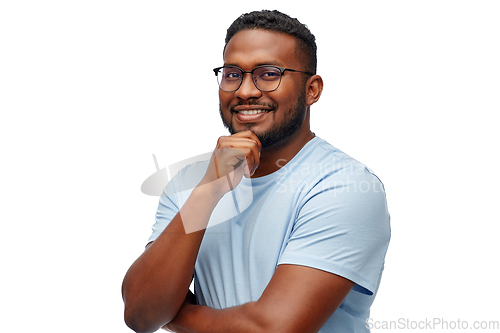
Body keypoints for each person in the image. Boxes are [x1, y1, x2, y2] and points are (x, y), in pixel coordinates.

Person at [122, 9, 390, 333]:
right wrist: (207, 192)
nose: (245, 91)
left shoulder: (344, 186)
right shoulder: (191, 183)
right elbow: (139, 313)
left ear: (312, 90)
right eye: (233, 74)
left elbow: (273, 329)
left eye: (268, 73)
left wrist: (173, 316)